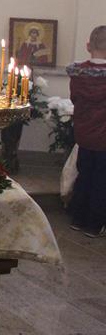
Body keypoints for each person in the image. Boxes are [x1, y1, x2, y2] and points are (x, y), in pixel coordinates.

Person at [66, 26, 106, 238]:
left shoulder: (78, 73)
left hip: (84, 133)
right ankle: (94, 224)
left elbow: (75, 99)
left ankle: (78, 218)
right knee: (101, 180)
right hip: (104, 136)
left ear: (88, 46)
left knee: (84, 174)